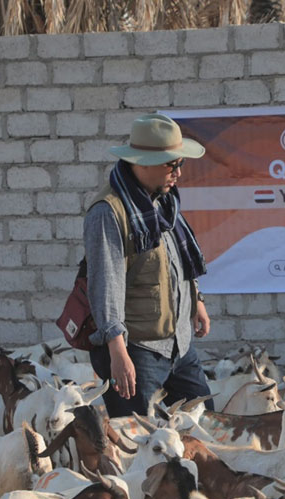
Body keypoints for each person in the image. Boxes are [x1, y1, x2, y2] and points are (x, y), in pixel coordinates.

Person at [83, 112, 215, 417]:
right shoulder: (108, 212)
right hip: (137, 352)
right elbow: (105, 285)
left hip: (179, 346)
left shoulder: (163, 201)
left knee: (204, 424)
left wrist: (196, 299)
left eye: (181, 163)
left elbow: (175, 260)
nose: (178, 173)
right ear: (142, 163)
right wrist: (118, 352)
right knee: (138, 437)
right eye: (172, 164)